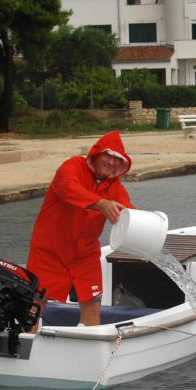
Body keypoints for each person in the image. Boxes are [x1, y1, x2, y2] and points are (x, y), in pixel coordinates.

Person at [26, 130, 133, 327]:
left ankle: (91, 343)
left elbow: (131, 214)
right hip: (49, 251)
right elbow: (68, 188)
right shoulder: (72, 166)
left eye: (117, 159)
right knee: (35, 305)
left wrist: (149, 230)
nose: (111, 162)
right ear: (96, 154)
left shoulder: (115, 187)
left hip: (85, 254)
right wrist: (100, 203)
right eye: (108, 155)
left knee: (92, 303)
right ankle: (24, 342)